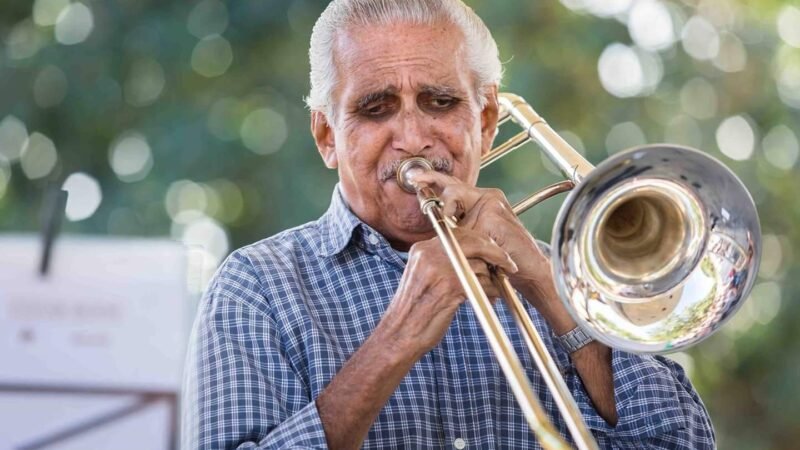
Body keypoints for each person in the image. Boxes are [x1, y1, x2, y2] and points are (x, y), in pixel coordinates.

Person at [181, 1, 715, 448]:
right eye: (376, 108)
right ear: (326, 136)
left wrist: (551, 291)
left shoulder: (575, 282)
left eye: (440, 102)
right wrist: (396, 338)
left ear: (484, 122)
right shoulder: (255, 288)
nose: (412, 137)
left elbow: (681, 440)